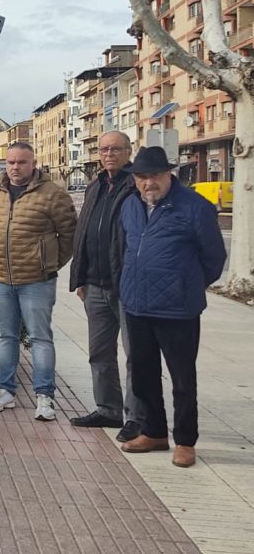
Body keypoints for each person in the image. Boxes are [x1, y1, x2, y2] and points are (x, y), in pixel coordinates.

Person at [118, 146, 226, 469]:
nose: (147, 183)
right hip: (137, 305)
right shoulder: (130, 206)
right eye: (141, 177)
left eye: (154, 176)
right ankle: (153, 432)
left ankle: (185, 441)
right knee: (142, 373)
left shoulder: (195, 208)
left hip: (178, 309)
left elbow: (214, 259)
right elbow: (127, 247)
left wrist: (186, 285)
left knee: (182, 378)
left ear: (169, 175)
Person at [0, 141, 77, 421]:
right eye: (11, 162)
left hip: (37, 281)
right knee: (5, 336)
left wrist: (50, 264)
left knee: (40, 338)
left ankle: (44, 397)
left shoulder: (52, 195)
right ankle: (6, 391)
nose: (15, 167)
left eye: (22, 162)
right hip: (0, 279)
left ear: (33, 163)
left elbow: (69, 235)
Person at [68, 131, 144, 442]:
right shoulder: (96, 184)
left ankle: (138, 418)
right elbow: (84, 230)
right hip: (95, 285)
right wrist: (79, 277)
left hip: (127, 286)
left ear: (129, 151)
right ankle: (109, 409)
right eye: (103, 149)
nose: (108, 154)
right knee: (99, 353)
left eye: (115, 149)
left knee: (136, 355)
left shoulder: (137, 186)